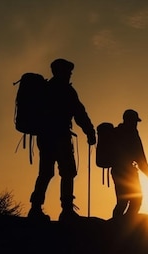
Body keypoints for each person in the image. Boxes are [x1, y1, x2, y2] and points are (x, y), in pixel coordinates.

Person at [27, 58, 96, 222]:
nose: (70, 74)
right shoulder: (65, 90)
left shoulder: (45, 89)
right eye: (68, 71)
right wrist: (90, 132)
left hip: (44, 137)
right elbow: (79, 113)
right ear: (61, 71)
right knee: (68, 171)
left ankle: (35, 208)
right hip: (60, 136)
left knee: (45, 173)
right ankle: (66, 211)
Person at [110, 109, 148, 218]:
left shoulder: (116, 132)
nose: (136, 124)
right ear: (130, 120)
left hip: (116, 171)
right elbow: (140, 157)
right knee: (136, 199)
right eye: (135, 121)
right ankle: (124, 223)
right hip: (128, 171)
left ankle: (118, 223)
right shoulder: (132, 134)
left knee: (122, 201)